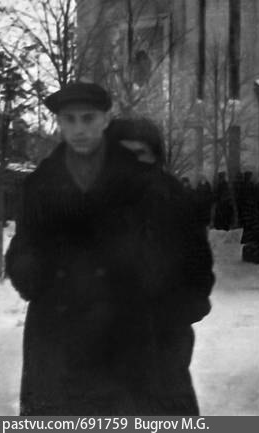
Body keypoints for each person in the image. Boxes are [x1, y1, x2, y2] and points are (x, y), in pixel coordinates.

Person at [5, 83, 183, 414]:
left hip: (123, 338)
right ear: (59, 123)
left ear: (105, 120)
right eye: (69, 120)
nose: (79, 129)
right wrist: (32, 270)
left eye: (88, 118)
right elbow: (22, 250)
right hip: (56, 338)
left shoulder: (141, 183)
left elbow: (165, 254)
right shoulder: (40, 185)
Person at [104, 117, 215, 416]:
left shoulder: (176, 200)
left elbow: (199, 269)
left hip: (164, 349)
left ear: (155, 155)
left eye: (138, 154)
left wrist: (178, 315)